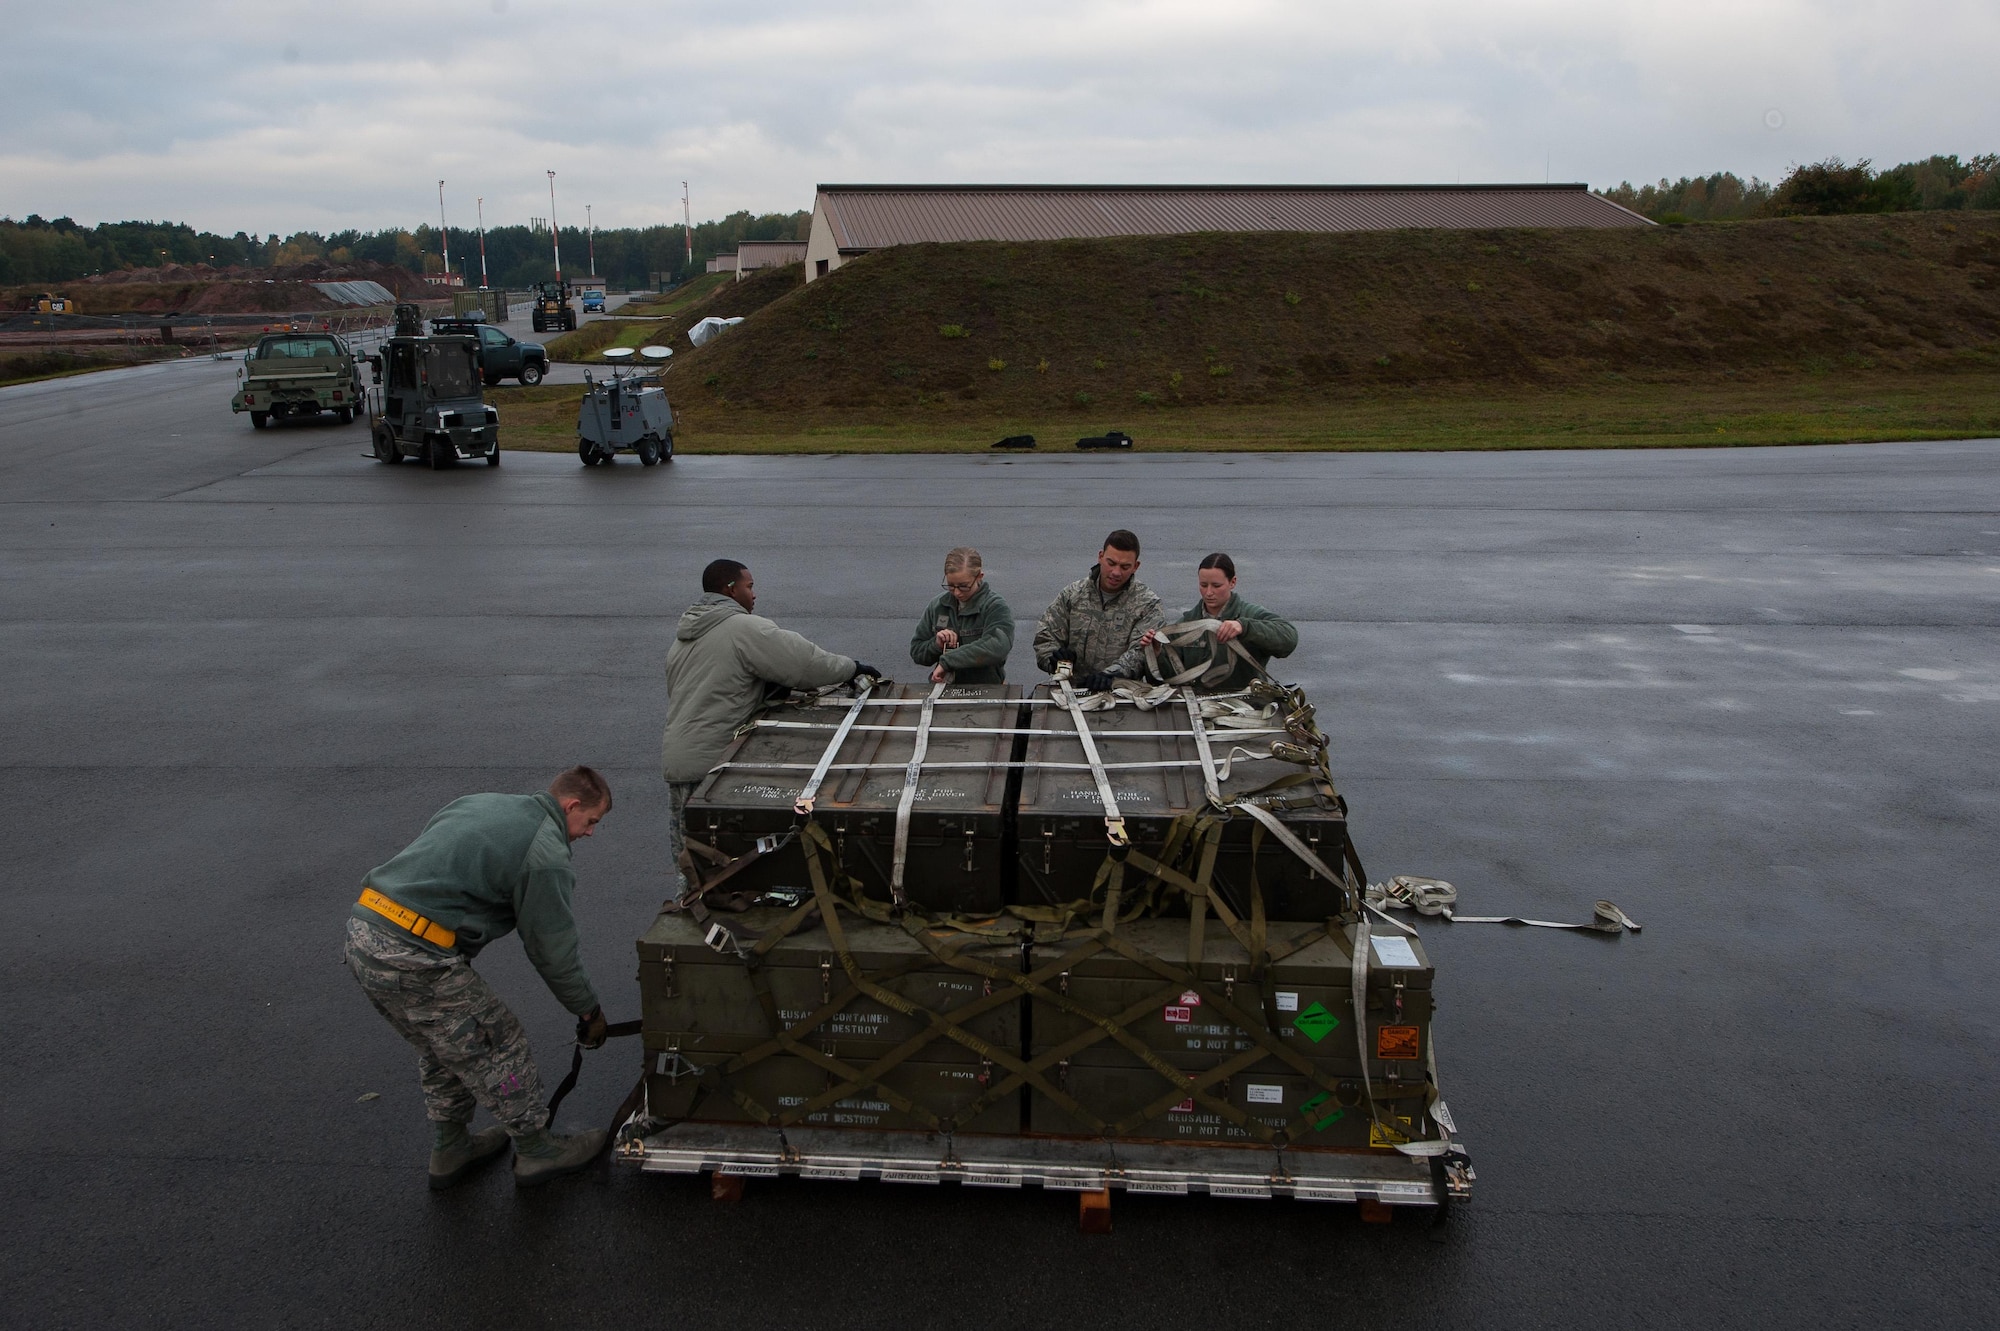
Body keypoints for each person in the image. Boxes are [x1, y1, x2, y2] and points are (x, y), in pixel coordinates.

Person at [345, 766, 615, 1191]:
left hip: (364, 935)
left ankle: (450, 1146)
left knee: (445, 1045)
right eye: (592, 821)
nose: (590, 833)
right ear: (571, 805)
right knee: (497, 1042)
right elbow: (552, 952)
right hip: (416, 956)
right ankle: (536, 1149)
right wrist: (588, 1010)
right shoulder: (544, 854)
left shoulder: (483, 802)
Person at [661, 559, 880, 899]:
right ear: (730, 590)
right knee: (726, 854)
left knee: (689, 860)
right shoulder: (742, 629)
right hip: (713, 762)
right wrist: (851, 668)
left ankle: (687, 917)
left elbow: (712, 690)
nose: (754, 594)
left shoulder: (686, 637)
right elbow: (803, 662)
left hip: (678, 761)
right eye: (749, 586)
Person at [1031, 529, 1164, 692]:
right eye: (1111, 563)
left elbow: (1141, 651)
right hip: (1070, 689)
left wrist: (1111, 676)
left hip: (1120, 692)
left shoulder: (1148, 605)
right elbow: (1046, 634)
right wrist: (1054, 659)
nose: (1116, 572)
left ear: (1136, 566)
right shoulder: (1073, 595)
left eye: (1125, 566)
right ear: (1100, 557)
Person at [1143, 552, 1298, 690]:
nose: (1209, 592)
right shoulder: (1186, 624)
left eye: (1216, 586)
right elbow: (1166, 680)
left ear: (1233, 582)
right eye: (1203, 585)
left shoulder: (1251, 614)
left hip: (1249, 707)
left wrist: (1244, 627)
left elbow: (1289, 639)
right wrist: (1156, 654)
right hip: (1200, 708)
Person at [908, 547, 1014, 684]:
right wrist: (937, 644)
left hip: (987, 689)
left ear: (979, 577)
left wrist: (948, 661)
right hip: (944, 688)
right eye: (951, 586)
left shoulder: (995, 606)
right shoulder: (937, 606)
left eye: (964, 586)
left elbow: (997, 646)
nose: (957, 593)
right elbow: (917, 652)